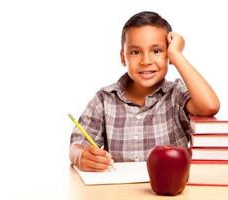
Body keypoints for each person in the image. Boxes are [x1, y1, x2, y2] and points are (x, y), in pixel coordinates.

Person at [69, 11, 220, 172]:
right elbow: (76, 145)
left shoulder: (176, 94)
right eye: (135, 52)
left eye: (156, 51)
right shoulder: (105, 99)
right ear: (123, 57)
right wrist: (81, 156)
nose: (146, 61)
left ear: (168, 54)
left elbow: (209, 106)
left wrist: (177, 55)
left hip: (170, 194)